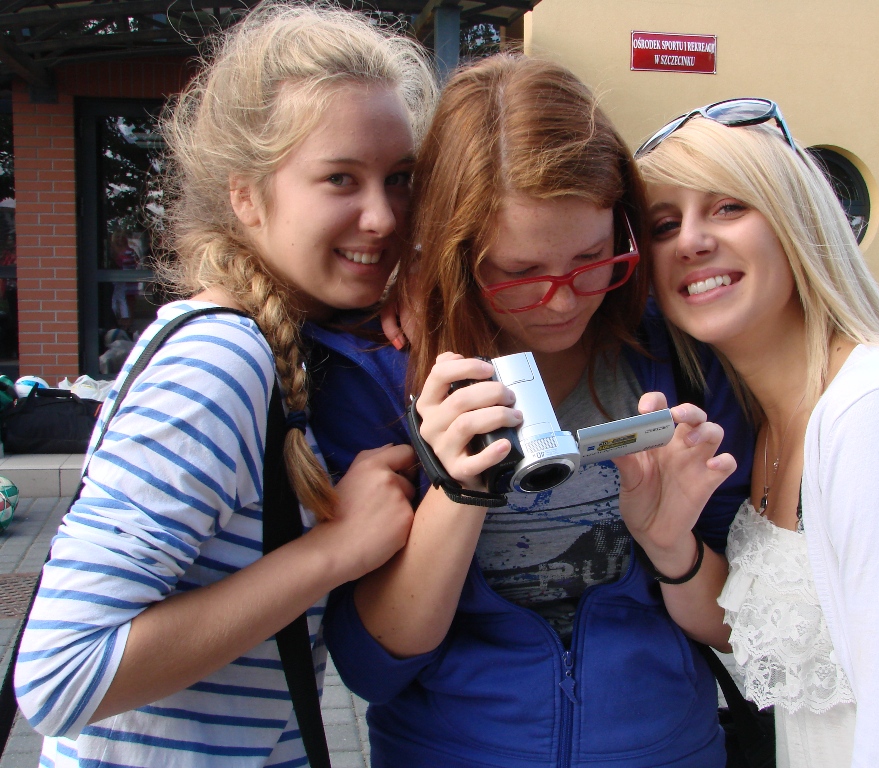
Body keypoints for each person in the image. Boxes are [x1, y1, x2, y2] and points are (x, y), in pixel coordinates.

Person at [14, 4, 436, 766]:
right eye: (340, 178)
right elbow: (59, 678)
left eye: (399, 179)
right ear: (245, 196)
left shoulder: (285, 345)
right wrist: (333, 551)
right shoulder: (221, 363)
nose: (382, 216)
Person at [307, 55, 754, 767]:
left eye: (593, 258)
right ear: (451, 253)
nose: (564, 301)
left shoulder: (680, 356)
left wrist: (674, 544)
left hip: (665, 746)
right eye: (519, 272)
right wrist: (458, 491)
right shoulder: (375, 375)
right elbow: (371, 668)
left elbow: (746, 627)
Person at [635, 98, 879, 767]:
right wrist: (665, 538)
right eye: (664, 225)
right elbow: (767, 632)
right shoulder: (778, 424)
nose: (692, 241)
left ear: (798, 221)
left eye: (728, 206)